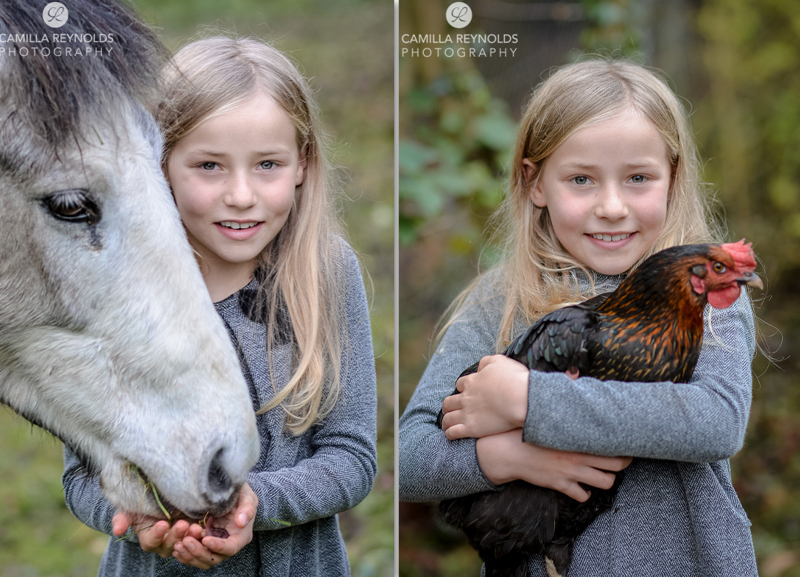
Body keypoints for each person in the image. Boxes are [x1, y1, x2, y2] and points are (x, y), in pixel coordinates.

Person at [399, 59, 758, 576]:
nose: (611, 206)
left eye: (638, 177)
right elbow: (412, 458)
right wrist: (506, 459)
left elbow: (715, 422)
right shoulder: (502, 299)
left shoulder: (700, 290)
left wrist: (528, 401)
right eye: (582, 179)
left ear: (673, 179)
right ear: (536, 183)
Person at [62, 36, 377, 576]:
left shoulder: (324, 273)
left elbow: (351, 456)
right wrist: (139, 513)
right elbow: (81, 476)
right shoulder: (112, 288)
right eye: (209, 165)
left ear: (302, 163)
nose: (240, 194)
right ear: (159, 164)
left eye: (267, 165)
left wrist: (255, 501)